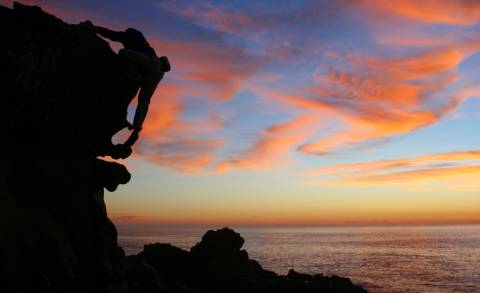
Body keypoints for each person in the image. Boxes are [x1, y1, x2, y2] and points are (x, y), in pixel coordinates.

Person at [81, 21, 171, 150]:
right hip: (155, 69)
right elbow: (110, 33)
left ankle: (135, 77)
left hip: (153, 65)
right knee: (144, 101)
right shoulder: (138, 41)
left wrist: (93, 28)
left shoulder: (131, 38)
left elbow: (110, 34)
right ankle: (137, 128)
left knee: (124, 53)